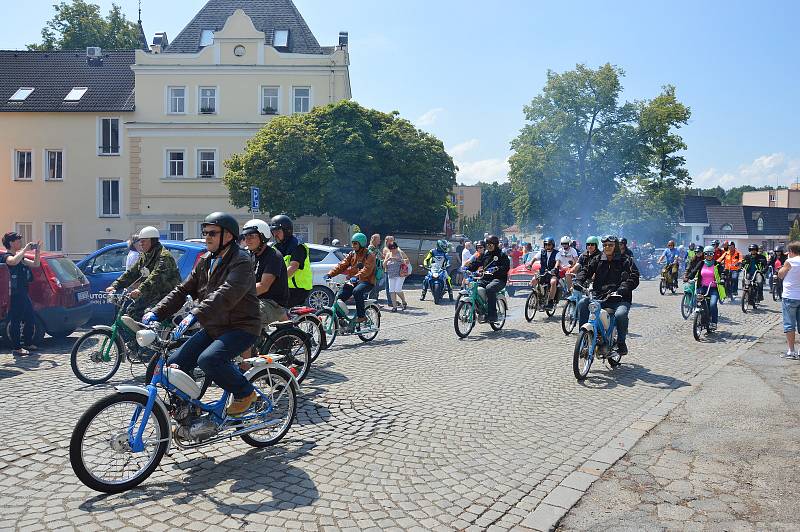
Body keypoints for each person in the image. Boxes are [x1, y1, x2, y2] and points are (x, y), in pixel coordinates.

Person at [145, 212, 262, 416]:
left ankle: (246, 393)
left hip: (242, 327)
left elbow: (227, 292)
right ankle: (187, 409)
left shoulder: (241, 261)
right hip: (214, 326)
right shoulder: (206, 260)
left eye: (213, 233)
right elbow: (182, 290)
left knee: (209, 359)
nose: (207, 236)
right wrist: (157, 311)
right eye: (205, 232)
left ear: (228, 236)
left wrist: (196, 314)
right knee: (174, 363)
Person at [575, 235, 640, 356]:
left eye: (610, 245)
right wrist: (579, 281)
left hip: (620, 298)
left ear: (615, 246)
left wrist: (623, 288)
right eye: (605, 245)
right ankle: (584, 338)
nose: (607, 247)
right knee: (582, 303)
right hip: (599, 296)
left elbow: (634, 277)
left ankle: (621, 343)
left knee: (620, 314)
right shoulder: (598, 258)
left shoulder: (626, 259)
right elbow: (586, 270)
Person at [106, 226, 180, 321]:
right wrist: (115, 285)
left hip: (166, 295)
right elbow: (132, 272)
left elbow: (155, 277)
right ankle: (135, 336)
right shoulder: (145, 256)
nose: (141, 244)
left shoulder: (164, 257)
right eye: (140, 241)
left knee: (148, 316)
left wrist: (140, 290)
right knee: (131, 311)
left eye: (143, 241)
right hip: (150, 294)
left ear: (152, 241)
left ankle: (153, 335)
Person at [241, 219, 289, 326]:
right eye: (246, 236)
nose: (247, 240)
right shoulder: (251, 255)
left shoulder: (273, 256)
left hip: (273, 304)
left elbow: (263, 286)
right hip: (257, 299)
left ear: (262, 237)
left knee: (243, 317)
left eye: (251, 236)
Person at [1, 232, 41, 355]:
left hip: (23, 292)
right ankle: (17, 347)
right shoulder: (6, 256)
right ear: (11, 243)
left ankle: (28, 343)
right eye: (18, 241)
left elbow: (36, 264)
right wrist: (24, 250)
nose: (20, 243)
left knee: (30, 317)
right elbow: (12, 262)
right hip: (13, 294)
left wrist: (37, 252)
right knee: (16, 320)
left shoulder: (20, 257)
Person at [327, 233, 376, 322]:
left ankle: (362, 316)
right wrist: (330, 274)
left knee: (357, 291)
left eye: (355, 243)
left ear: (361, 243)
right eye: (352, 243)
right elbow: (342, 265)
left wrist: (356, 277)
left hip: (367, 281)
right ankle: (341, 319)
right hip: (354, 281)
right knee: (340, 297)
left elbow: (367, 269)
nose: (353, 246)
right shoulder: (352, 254)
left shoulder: (370, 255)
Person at [270, 215, 311, 308]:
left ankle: (286, 322)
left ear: (287, 231)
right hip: (284, 288)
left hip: (298, 289)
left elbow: (293, 267)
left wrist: (276, 281)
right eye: (273, 231)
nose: (275, 234)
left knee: (276, 307)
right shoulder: (275, 248)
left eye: (278, 231)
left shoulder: (298, 247)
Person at [685, 245, 726, 332]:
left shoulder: (717, 264)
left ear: (713, 254)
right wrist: (688, 277)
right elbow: (694, 271)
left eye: (710, 254)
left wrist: (722, 279)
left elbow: (722, 273)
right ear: (704, 254)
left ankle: (714, 322)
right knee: (699, 303)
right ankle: (701, 317)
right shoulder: (701, 263)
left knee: (712, 304)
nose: (708, 256)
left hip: (713, 289)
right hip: (702, 288)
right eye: (706, 254)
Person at [476, 235, 510, 323]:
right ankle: (479, 308)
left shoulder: (502, 255)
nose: (489, 246)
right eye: (487, 244)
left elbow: (506, 267)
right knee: (473, 286)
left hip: (499, 279)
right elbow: (477, 262)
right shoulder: (486, 254)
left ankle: (493, 315)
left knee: (489, 289)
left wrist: (497, 268)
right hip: (486, 279)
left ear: (496, 245)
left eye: (491, 245)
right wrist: (467, 268)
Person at [777, 241, 800, 359]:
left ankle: (791, 351)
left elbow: (780, 275)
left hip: (790, 296)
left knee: (789, 324)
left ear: (791, 251)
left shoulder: (790, 261)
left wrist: (782, 267)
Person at [529, 237, 560, 310]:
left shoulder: (557, 253)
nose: (547, 246)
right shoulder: (541, 252)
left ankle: (551, 301)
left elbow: (558, 261)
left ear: (552, 245)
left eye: (549, 245)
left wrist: (555, 269)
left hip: (552, 273)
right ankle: (536, 296)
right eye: (546, 245)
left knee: (553, 282)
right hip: (542, 272)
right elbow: (535, 258)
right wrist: (530, 264)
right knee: (533, 280)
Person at [383, 239, 410, 312]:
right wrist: (387, 259)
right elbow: (384, 265)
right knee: (392, 291)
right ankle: (394, 307)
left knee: (398, 290)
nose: (393, 249)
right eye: (391, 248)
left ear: (396, 247)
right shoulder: (388, 254)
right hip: (391, 274)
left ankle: (403, 301)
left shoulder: (400, 252)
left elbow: (407, 260)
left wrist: (399, 259)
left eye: (394, 248)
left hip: (400, 274)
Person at [367, 234, 386, 302]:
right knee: (374, 287)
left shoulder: (375, 248)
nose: (379, 241)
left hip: (377, 270)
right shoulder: (371, 248)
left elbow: (382, 257)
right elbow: (373, 258)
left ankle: (375, 302)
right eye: (378, 239)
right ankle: (373, 302)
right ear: (374, 240)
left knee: (376, 287)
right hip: (373, 271)